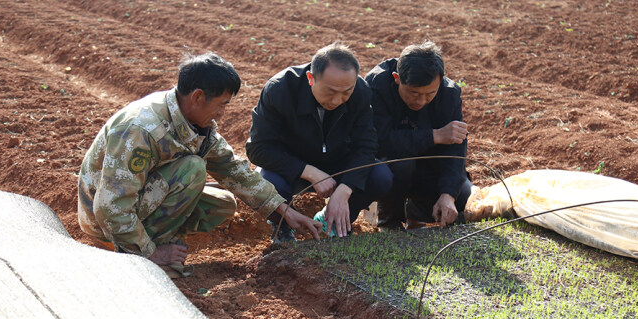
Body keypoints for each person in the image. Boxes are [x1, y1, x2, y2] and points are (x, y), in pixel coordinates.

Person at [78, 52, 320, 277]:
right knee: (192, 169)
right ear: (197, 97)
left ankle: (156, 238)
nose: (223, 113)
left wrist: (283, 210)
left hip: (138, 199)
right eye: (222, 104)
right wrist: (151, 252)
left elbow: (231, 167)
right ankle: (141, 252)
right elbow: (111, 208)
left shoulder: (192, 121)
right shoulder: (141, 130)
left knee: (222, 204)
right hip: (105, 219)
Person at [246, 43, 393, 241]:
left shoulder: (361, 91)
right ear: (310, 78)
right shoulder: (280, 90)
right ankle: (282, 226)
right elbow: (258, 148)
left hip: (336, 160)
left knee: (380, 176)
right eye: (330, 92)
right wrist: (309, 172)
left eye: (346, 93)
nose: (337, 100)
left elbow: (366, 145)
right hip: (290, 164)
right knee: (268, 182)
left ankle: (335, 220)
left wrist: (345, 189)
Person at [364, 41, 472, 230]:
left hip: (426, 166)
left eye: (430, 93)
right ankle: (389, 221)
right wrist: (434, 136)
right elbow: (379, 141)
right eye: (413, 93)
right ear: (397, 78)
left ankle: (414, 212)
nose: (421, 101)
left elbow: (455, 147)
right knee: (402, 164)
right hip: (387, 167)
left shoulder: (449, 94)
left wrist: (448, 194)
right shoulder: (376, 86)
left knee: (463, 195)